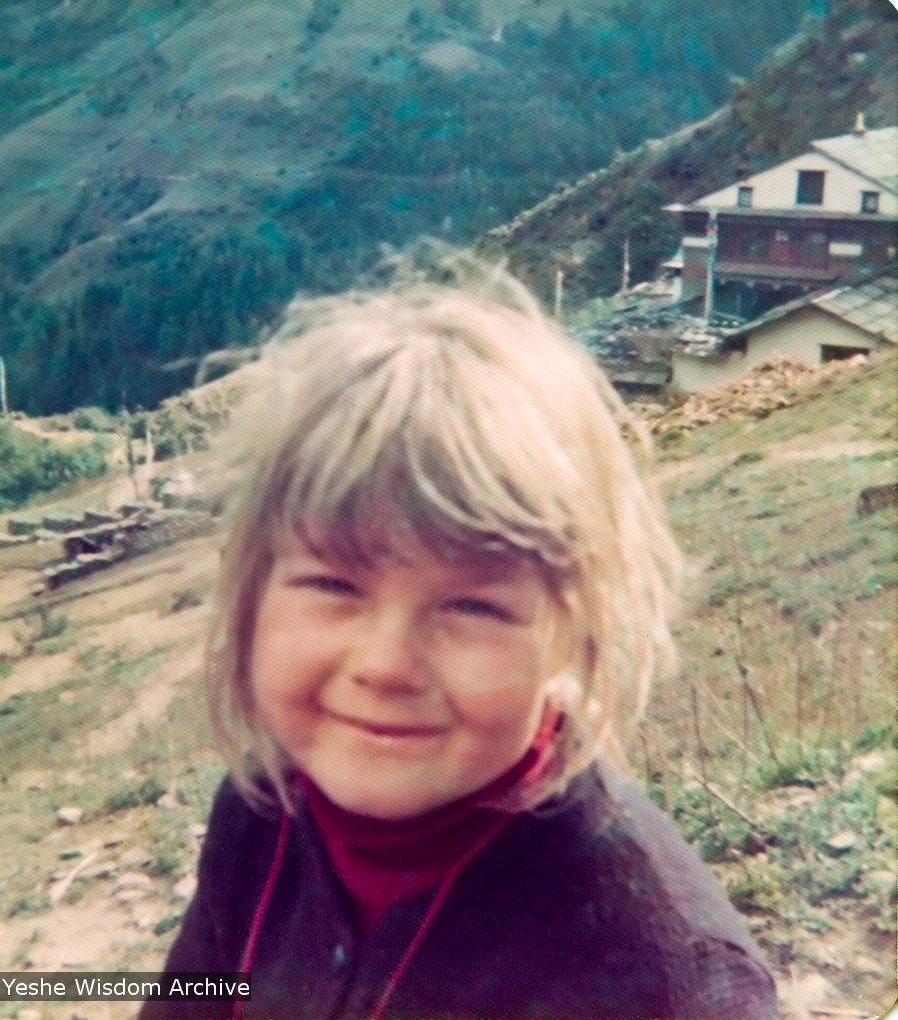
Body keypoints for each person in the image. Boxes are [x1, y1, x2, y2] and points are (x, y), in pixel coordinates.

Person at [140, 251, 778, 1020]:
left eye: (471, 607)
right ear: (251, 595)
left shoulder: (664, 980)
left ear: (572, 636)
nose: (385, 664)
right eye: (333, 584)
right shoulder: (260, 814)